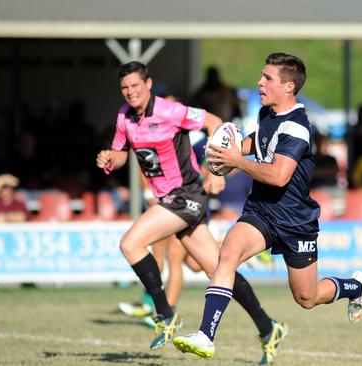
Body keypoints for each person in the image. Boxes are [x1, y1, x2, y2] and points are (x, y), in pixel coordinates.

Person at [172, 52, 362, 362]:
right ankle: (205, 335)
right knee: (228, 255)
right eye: (261, 76)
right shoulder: (268, 114)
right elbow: (260, 140)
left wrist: (238, 162)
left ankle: (354, 287)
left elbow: (278, 176)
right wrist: (231, 149)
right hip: (261, 211)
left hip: (295, 221)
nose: (259, 83)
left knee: (307, 297)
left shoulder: (298, 127)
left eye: (267, 79)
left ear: (289, 87)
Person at [96, 62, 286, 364]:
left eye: (135, 86)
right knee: (218, 271)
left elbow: (215, 121)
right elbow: (121, 153)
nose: (130, 92)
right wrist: (111, 157)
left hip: (185, 195)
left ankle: (165, 315)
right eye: (125, 88)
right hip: (171, 200)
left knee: (130, 243)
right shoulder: (124, 117)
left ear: (148, 84)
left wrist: (214, 169)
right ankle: (268, 328)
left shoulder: (171, 112)